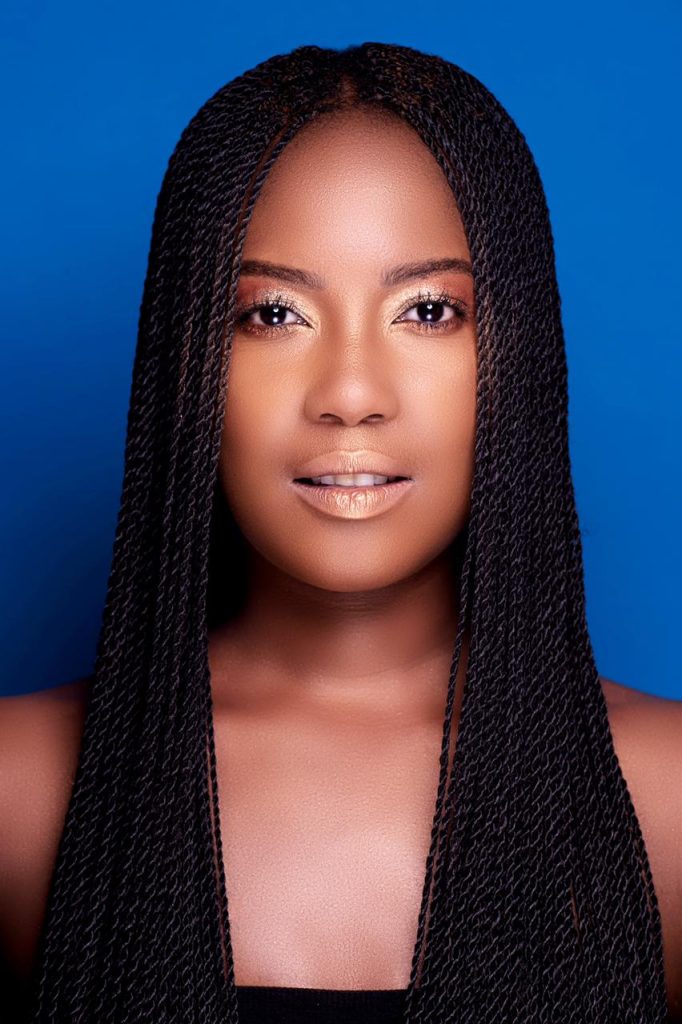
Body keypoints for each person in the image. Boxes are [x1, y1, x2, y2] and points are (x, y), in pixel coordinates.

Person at [0, 41, 680, 1024]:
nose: (351, 393)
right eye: (273, 312)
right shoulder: (27, 789)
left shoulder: (659, 799)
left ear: (517, 350)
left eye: (428, 310)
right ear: (185, 357)